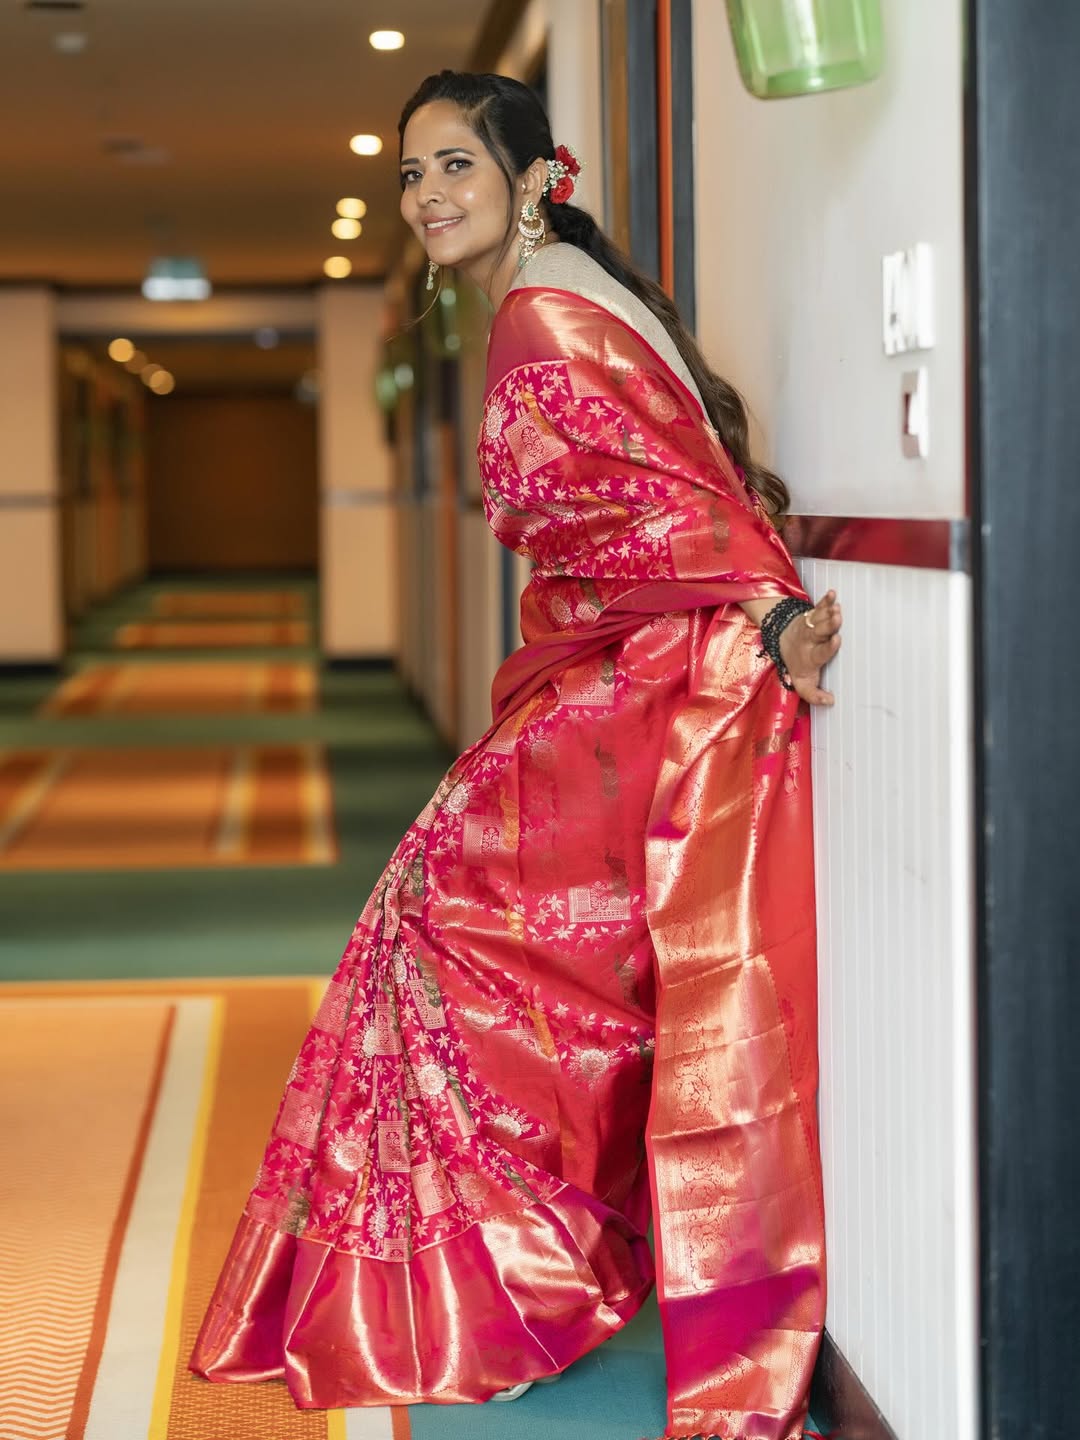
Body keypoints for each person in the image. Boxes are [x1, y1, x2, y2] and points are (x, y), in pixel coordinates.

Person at [190, 69, 842, 1440]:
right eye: (412, 175)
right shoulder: (546, 305)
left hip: (633, 702)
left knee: (448, 947)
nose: (427, 194)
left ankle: (510, 1291)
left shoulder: (545, 314)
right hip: (614, 692)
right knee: (499, 971)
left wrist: (764, 613)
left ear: (535, 178)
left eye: (452, 167)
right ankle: (530, 1275)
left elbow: (669, 517)